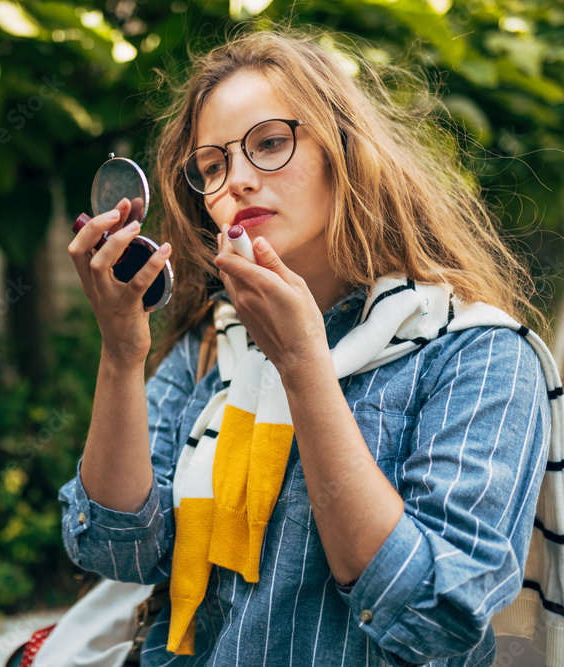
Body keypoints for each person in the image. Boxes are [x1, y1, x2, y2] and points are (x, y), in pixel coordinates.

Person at [60, 26, 564, 667]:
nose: (236, 180)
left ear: (345, 152)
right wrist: (121, 353)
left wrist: (302, 364)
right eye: (212, 166)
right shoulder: (215, 346)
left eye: (269, 143)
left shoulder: (477, 355)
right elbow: (116, 548)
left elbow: (438, 617)